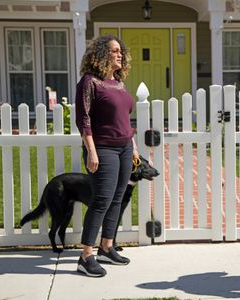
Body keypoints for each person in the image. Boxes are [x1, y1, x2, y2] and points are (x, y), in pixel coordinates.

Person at [75, 35, 139, 277]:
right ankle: (86, 256)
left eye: (120, 50)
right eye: (114, 51)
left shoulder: (119, 83)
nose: (119, 54)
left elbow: (124, 118)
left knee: (117, 198)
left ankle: (107, 247)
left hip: (123, 148)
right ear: (101, 54)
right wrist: (91, 151)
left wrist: (132, 145)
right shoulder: (90, 82)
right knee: (101, 199)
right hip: (102, 148)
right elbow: (84, 120)